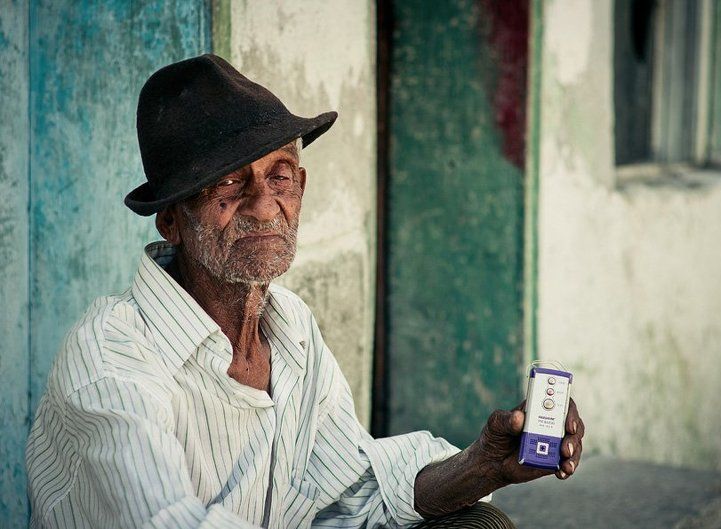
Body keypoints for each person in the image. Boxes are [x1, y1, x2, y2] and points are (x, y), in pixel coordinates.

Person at [26, 54, 584, 529]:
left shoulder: (288, 326)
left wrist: (483, 464)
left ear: (300, 187)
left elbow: (353, 490)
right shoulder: (110, 357)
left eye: (280, 176)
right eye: (228, 183)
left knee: (475, 523)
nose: (266, 206)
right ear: (171, 220)